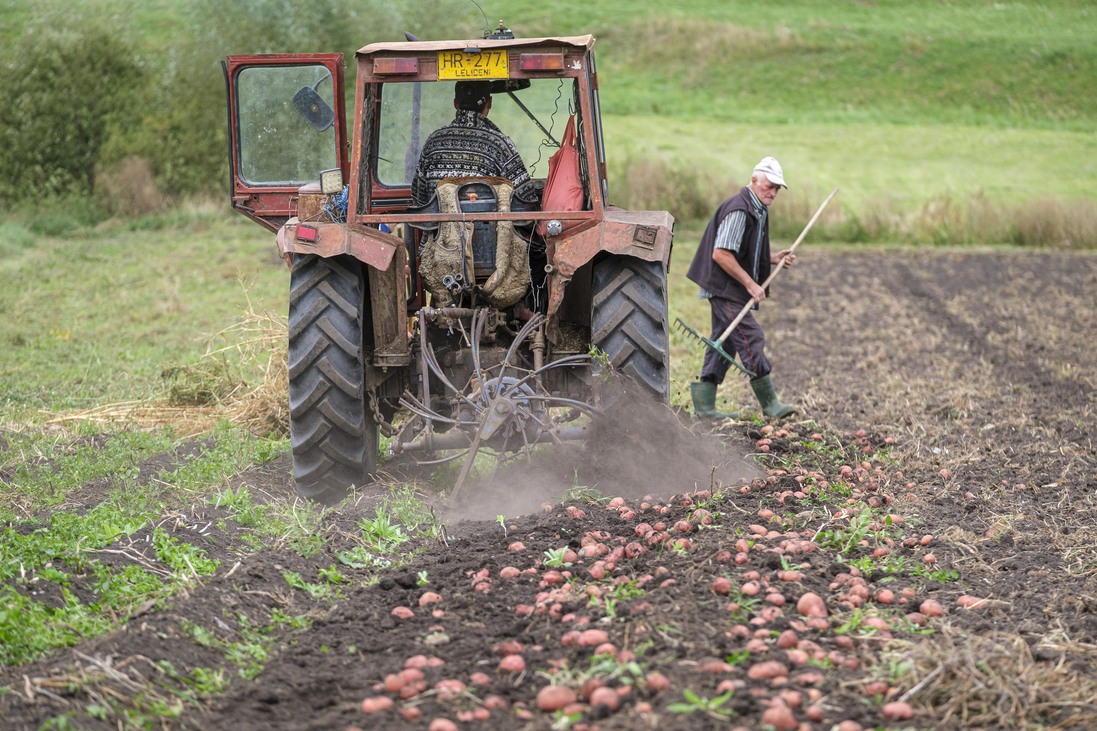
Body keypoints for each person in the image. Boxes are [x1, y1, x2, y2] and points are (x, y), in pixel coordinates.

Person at [685, 156, 798, 420]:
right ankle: (770, 404)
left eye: (777, 189)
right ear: (754, 180)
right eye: (769, 186)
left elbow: (743, 249)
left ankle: (704, 408)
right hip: (724, 287)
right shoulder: (740, 209)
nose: (772, 193)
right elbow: (721, 254)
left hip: (728, 287)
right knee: (751, 337)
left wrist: (773, 258)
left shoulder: (757, 208)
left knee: (723, 341)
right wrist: (751, 284)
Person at [411, 80, 538, 206]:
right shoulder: (499, 145)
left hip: (437, 226)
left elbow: (420, 199)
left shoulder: (433, 143)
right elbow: (525, 199)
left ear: (455, 104)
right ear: (490, 103)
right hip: (487, 225)